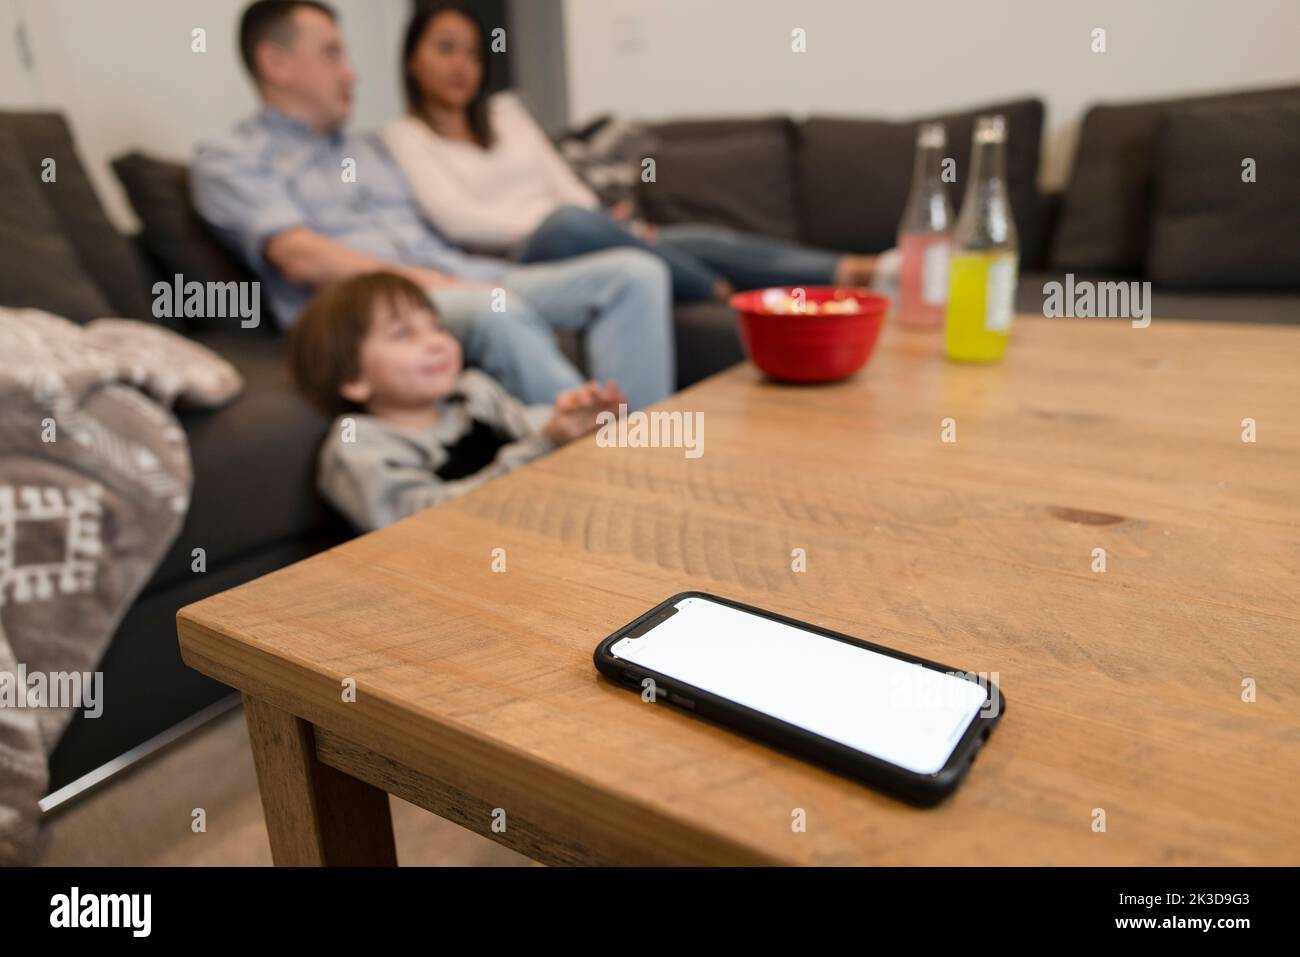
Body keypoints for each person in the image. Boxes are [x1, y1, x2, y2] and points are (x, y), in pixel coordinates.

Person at [192, 0, 673, 409]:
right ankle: (608, 452)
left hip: (459, 276)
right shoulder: (230, 158)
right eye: (332, 54)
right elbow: (300, 257)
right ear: (276, 64)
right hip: (372, 312)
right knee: (495, 310)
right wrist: (428, 283)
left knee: (634, 274)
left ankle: (639, 441)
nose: (351, 73)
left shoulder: (373, 148)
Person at [382, 3, 882, 303]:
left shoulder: (506, 113)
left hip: (584, 230)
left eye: (473, 53)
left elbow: (563, 182)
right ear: (410, 60)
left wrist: (599, 222)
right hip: (528, 253)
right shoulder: (404, 135)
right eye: (445, 49)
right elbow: (459, 221)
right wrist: (576, 222)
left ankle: (862, 270)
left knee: (697, 236)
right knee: (567, 223)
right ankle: (709, 287)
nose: (462, 65)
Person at [289, 271, 623, 532]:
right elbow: (424, 524)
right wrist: (543, 445)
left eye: (436, 327)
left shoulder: (472, 392)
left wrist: (569, 419)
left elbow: (528, 424)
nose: (436, 342)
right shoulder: (360, 446)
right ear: (354, 379)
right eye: (403, 334)